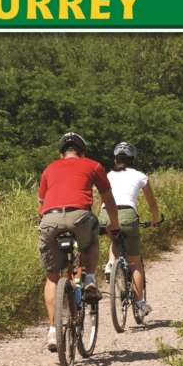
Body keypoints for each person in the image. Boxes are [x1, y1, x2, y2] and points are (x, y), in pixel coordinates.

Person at [38, 133, 120, 351]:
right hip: (80, 217)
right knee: (92, 240)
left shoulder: (49, 168)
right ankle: (90, 280)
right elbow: (108, 198)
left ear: (61, 153)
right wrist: (114, 224)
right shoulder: (93, 165)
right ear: (83, 152)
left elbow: (40, 206)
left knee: (52, 276)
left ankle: (53, 331)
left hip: (50, 218)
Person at [98, 142, 161, 319]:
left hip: (105, 215)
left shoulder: (107, 175)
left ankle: (111, 264)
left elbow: (102, 198)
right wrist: (155, 219)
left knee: (115, 238)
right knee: (135, 263)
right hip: (127, 215)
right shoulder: (140, 176)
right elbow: (152, 202)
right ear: (133, 160)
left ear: (115, 159)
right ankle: (140, 305)